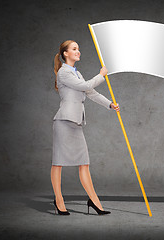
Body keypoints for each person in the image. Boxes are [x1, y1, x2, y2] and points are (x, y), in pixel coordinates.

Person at [51, 40, 120, 215]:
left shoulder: (77, 73)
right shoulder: (63, 73)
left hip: (76, 123)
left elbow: (91, 93)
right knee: (58, 163)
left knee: (84, 163)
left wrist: (110, 104)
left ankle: (95, 202)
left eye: (78, 49)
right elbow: (86, 86)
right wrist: (101, 75)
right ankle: (59, 201)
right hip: (64, 122)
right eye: (74, 49)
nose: (78, 51)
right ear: (65, 53)